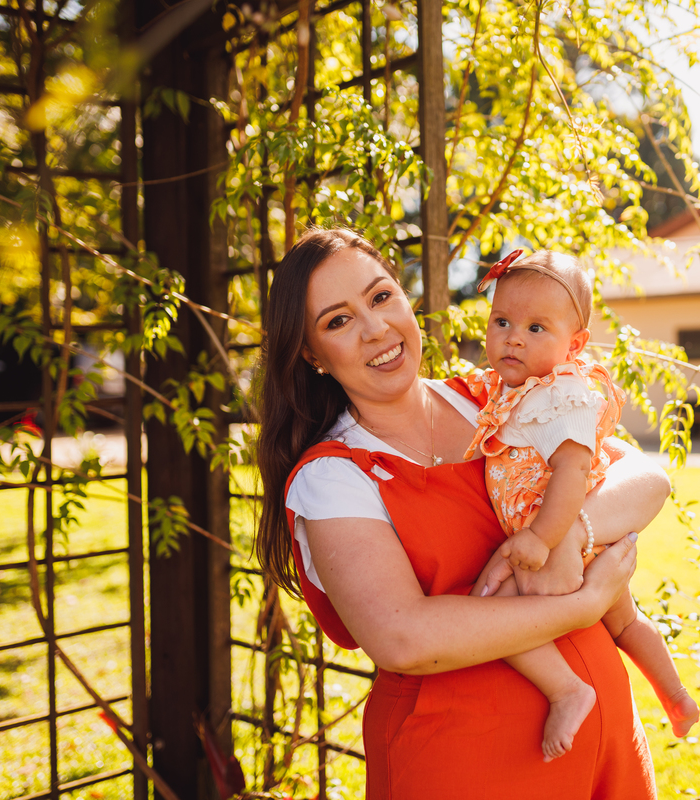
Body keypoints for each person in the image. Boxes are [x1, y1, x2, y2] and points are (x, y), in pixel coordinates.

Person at [253, 228, 672, 799]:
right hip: (468, 766)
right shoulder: (335, 476)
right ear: (310, 354)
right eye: (337, 321)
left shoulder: (499, 395)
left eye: (380, 298)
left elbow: (646, 479)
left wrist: (573, 532)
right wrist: (586, 603)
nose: (375, 328)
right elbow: (405, 639)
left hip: (607, 754)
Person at [462, 249, 700, 761]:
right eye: (501, 321)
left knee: (495, 615)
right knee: (626, 623)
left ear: (575, 344)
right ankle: (674, 695)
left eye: (535, 327)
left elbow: (572, 474)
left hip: (554, 536)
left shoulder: (560, 395)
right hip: (577, 535)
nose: (514, 337)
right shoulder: (517, 388)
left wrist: (541, 538)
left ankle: (567, 690)